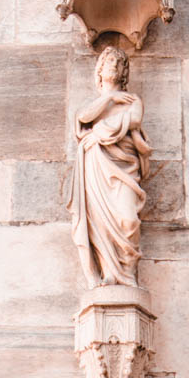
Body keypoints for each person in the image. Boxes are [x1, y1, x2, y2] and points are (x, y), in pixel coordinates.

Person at [68, 46, 152, 288]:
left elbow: (134, 119)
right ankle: (108, 274)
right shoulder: (96, 105)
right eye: (109, 63)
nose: (114, 66)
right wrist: (109, 98)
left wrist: (99, 133)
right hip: (97, 169)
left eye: (119, 63)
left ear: (125, 71)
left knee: (128, 221)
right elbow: (82, 118)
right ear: (100, 70)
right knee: (98, 225)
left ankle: (127, 275)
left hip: (123, 168)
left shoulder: (133, 100)